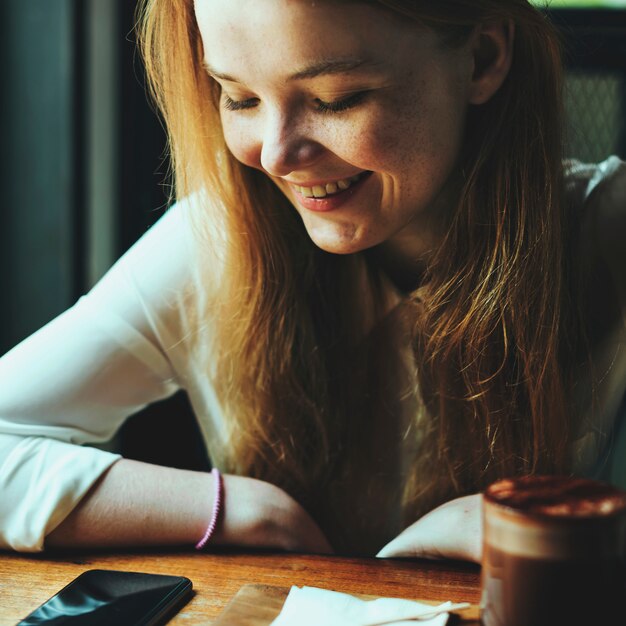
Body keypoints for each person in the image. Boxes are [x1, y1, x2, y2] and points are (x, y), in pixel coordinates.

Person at [1, 0, 624, 560]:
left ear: (484, 58)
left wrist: (523, 525)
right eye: (238, 97)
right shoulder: (219, 240)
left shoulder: (605, 234)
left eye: (335, 99)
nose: (273, 155)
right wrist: (238, 510)